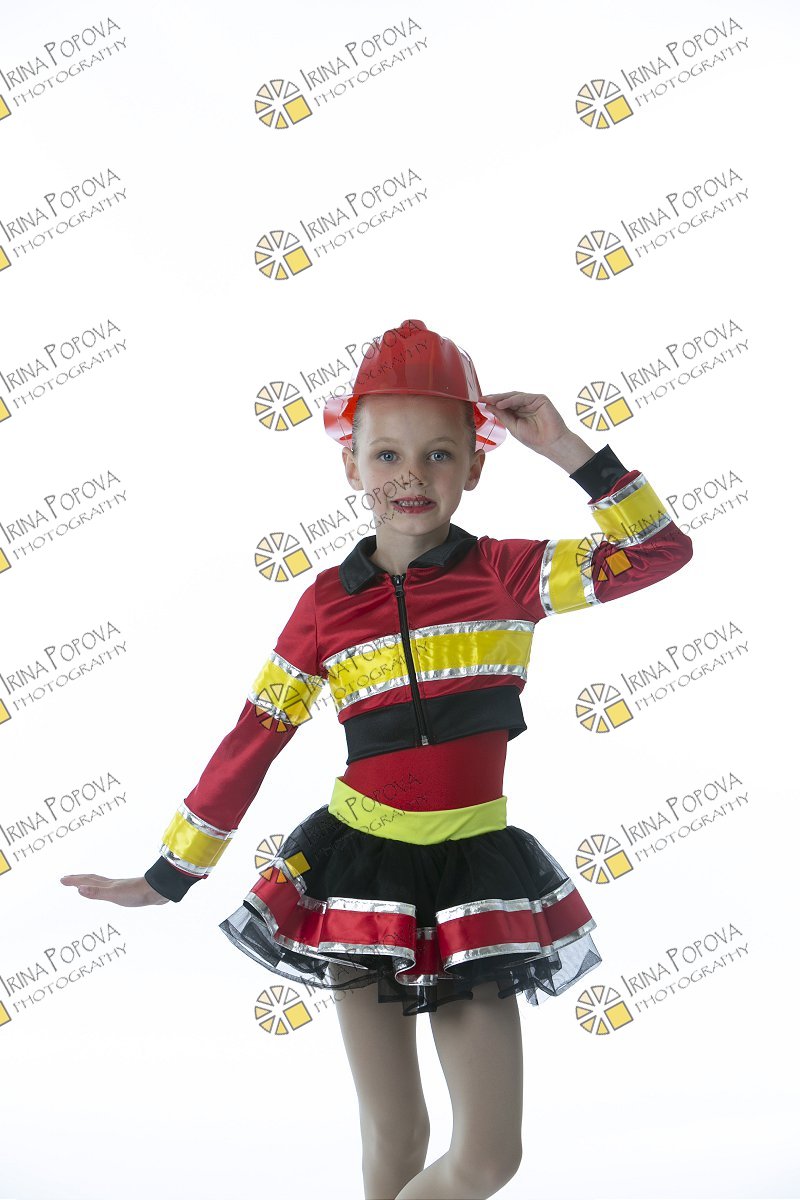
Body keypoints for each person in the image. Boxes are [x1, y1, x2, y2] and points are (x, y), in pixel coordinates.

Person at [61, 317, 693, 1200]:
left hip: (473, 874)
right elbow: (255, 735)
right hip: (355, 877)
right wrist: (169, 875)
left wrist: (566, 449)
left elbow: (658, 551)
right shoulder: (326, 604)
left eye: (439, 455)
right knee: (396, 1138)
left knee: (488, 1158)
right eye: (387, 455)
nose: (411, 476)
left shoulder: (509, 575)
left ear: (475, 467)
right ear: (350, 465)